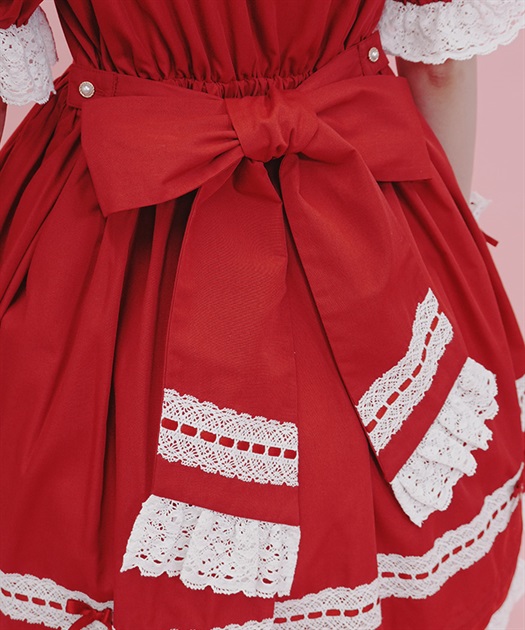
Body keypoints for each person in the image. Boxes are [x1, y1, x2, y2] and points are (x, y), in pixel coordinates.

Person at [0, 1, 524, 629]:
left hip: (108, 219)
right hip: (355, 188)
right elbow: (440, 70)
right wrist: (441, 243)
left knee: (69, 517)